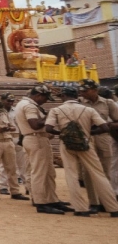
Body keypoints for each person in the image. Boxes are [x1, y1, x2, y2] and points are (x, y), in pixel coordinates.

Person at [43, 86, 118, 217]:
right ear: (76, 96)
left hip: (67, 145)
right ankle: (113, 207)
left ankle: (80, 208)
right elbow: (105, 127)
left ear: (63, 96)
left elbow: (48, 128)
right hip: (86, 143)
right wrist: (89, 133)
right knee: (99, 174)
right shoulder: (88, 109)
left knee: (71, 175)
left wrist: (61, 133)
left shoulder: (56, 110)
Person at [13, 85, 67, 215]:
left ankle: (51, 199)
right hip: (35, 138)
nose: (45, 101)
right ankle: (41, 202)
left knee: (48, 171)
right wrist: (49, 115)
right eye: (45, 98)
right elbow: (35, 125)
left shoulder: (24, 104)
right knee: (40, 172)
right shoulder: (29, 106)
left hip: (36, 138)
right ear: (38, 95)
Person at [80, 79, 118, 199]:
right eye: (81, 91)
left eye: (86, 90)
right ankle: (93, 201)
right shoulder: (79, 103)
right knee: (88, 171)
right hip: (87, 138)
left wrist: (107, 125)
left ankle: (107, 200)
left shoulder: (108, 103)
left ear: (95, 90)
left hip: (104, 138)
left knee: (106, 168)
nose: (83, 93)